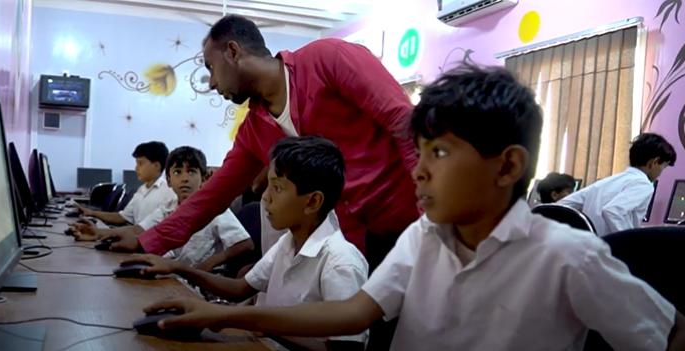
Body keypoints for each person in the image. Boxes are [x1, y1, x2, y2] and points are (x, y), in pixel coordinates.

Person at [134, 65, 685, 351]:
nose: (417, 169)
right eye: (419, 152)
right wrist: (225, 315)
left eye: (440, 153)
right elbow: (353, 313)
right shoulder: (425, 239)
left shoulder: (570, 257)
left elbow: (665, 334)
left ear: (507, 166)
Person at [104, 14, 419, 274]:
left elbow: (404, 123)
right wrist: (147, 241)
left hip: (412, 225)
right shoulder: (254, 128)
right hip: (352, 246)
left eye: (210, 68)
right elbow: (212, 196)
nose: (211, 84)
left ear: (233, 51)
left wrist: (432, 220)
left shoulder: (328, 59)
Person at [123, 136, 368, 349]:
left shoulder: (340, 262)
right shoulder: (288, 243)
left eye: (277, 188)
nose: (265, 197)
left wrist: (246, 320)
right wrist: (178, 268)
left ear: (312, 202)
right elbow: (241, 288)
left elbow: (346, 348)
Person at [74, 146, 253, 272]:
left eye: (191, 172)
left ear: (204, 178)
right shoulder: (168, 207)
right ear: (168, 181)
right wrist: (99, 233)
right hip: (174, 272)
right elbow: (138, 229)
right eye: (177, 172)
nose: (185, 178)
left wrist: (208, 265)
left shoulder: (215, 210)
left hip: (200, 279)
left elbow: (244, 244)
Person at [559, 133, 677, 236]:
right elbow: (613, 211)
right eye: (664, 166)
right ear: (654, 162)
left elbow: (561, 205)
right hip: (611, 250)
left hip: (591, 246)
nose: (661, 172)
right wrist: (629, 242)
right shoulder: (644, 184)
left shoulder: (606, 182)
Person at [77, 141, 175, 226]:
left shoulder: (168, 192)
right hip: (135, 238)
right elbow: (122, 217)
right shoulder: (141, 189)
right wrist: (92, 213)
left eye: (140, 163)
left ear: (156, 166)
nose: (136, 168)